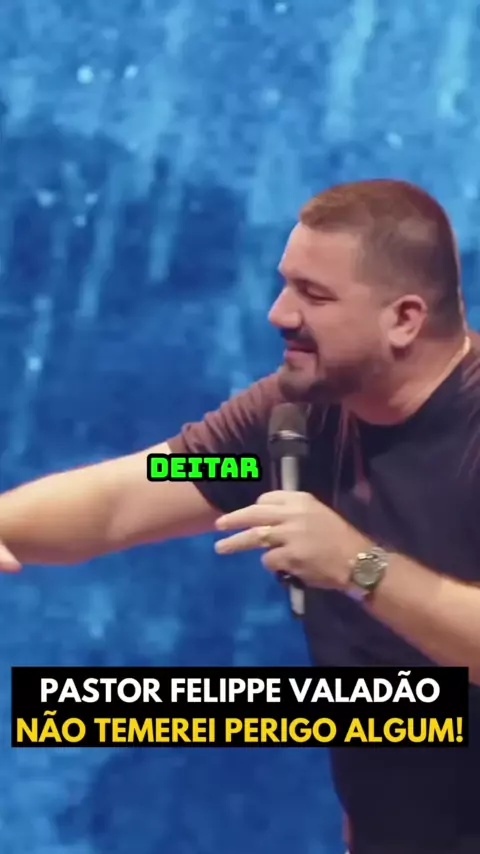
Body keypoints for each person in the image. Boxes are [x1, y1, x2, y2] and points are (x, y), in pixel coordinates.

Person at [0, 178, 480, 853]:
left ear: (404, 319)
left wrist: (357, 566)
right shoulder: (288, 428)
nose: (279, 314)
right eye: (286, 286)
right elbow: (127, 496)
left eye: (314, 295)